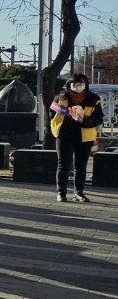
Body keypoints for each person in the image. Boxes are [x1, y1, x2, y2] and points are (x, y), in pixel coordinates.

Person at [51, 72, 103, 202]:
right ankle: (61, 192)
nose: (77, 86)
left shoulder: (93, 99)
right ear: (69, 85)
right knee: (63, 164)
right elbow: (51, 112)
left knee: (81, 165)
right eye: (74, 84)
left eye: (80, 84)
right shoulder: (61, 98)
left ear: (85, 85)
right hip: (64, 135)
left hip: (84, 136)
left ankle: (79, 192)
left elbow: (98, 118)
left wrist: (85, 120)